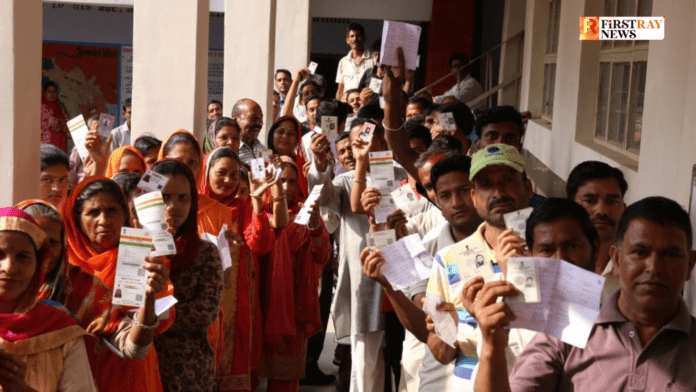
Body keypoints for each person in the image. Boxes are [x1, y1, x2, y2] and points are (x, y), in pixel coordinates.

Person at [473, 196, 696, 391]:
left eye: (670, 254)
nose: (653, 268)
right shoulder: (565, 333)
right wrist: (492, 350)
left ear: (690, 265)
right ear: (616, 259)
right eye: (639, 252)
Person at [361, 154, 483, 392]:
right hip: (438, 377)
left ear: (477, 191)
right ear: (435, 198)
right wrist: (389, 285)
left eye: (464, 190)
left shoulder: (507, 244)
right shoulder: (427, 244)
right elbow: (420, 321)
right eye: (445, 195)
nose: (456, 202)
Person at [309, 117, 409, 392]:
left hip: (403, 274)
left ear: (382, 139)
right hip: (365, 283)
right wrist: (320, 166)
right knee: (366, 362)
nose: (363, 146)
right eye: (356, 143)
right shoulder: (343, 181)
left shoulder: (401, 175)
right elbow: (324, 200)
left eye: (369, 138)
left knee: (405, 359)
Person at [424, 143, 531, 391]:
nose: (497, 193)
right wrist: (446, 329)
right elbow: (442, 354)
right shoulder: (448, 259)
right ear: (474, 196)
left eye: (507, 180)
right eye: (485, 185)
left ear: (527, 187)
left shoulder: (551, 252)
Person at [61, 178, 174, 392]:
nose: (104, 220)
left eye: (112, 211)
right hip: (81, 369)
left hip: (132, 367)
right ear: (76, 219)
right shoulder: (66, 265)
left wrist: (153, 294)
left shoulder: (142, 255)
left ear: (125, 215)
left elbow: (165, 319)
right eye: (93, 212)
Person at [198, 146, 276, 391]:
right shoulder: (193, 207)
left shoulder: (241, 208)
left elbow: (259, 244)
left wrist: (255, 202)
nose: (229, 180)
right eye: (222, 173)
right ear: (207, 172)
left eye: (234, 174)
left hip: (235, 296)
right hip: (200, 296)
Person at [0, 207, 97, 391]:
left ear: (38, 265)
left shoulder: (61, 331)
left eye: (23, 257)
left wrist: (22, 389)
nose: (9, 267)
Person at [149, 160, 224, 391]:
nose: (174, 206)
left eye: (183, 197)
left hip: (190, 371)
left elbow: (206, 310)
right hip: (142, 366)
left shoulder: (205, 252)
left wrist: (152, 313)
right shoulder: (136, 249)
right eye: (164, 198)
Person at [259, 158, 332, 392]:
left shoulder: (306, 215)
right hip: (259, 299)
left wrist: (314, 225)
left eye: (292, 181)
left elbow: (322, 256)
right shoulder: (256, 213)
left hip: (293, 306)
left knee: (285, 377)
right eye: (281, 181)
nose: (287, 187)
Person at [566, 161, 627, 297]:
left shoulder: (634, 267)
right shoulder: (554, 261)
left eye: (612, 202)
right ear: (570, 207)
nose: (602, 211)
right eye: (590, 201)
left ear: (624, 209)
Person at [474, 106, 546, 207]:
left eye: (510, 138)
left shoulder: (541, 207)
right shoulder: (464, 204)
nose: (501, 143)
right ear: (478, 144)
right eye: (491, 136)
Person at [266, 116, 310, 199]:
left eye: (291, 134)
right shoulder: (261, 159)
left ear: (297, 140)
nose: (285, 136)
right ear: (272, 135)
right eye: (281, 131)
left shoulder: (302, 165)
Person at [336, 23, 376, 101]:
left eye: (358, 36)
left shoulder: (374, 58)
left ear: (364, 38)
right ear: (347, 40)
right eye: (352, 36)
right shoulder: (343, 61)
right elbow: (340, 88)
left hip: (367, 104)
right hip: (348, 104)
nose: (355, 39)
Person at [232, 99, 266, 166]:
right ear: (235, 120)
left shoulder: (260, 147)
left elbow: (266, 170)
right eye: (253, 118)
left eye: (260, 118)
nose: (258, 123)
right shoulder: (232, 149)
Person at [41, 81, 70, 152]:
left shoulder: (60, 109)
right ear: (44, 93)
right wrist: (62, 125)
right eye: (49, 91)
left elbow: (69, 125)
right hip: (47, 143)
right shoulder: (42, 107)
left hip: (61, 144)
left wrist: (60, 125)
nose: (52, 94)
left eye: (54, 92)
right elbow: (53, 123)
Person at [40, 144, 70, 209]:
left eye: (62, 180)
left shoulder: (66, 213)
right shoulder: (16, 215)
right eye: (47, 180)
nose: (56, 188)